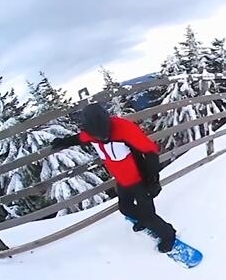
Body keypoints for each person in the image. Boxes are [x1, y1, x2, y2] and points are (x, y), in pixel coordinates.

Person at [50, 102, 177, 252]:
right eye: (98, 137)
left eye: (105, 135)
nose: (103, 138)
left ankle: (169, 234)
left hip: (140, 179)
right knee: (125, 209)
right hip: (122, 181)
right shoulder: (90, 133)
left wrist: (153, 180)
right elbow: (80, 138)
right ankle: (144, 220)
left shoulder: (124, 128)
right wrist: (63, 142)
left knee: (148, 215)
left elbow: (150, 152)